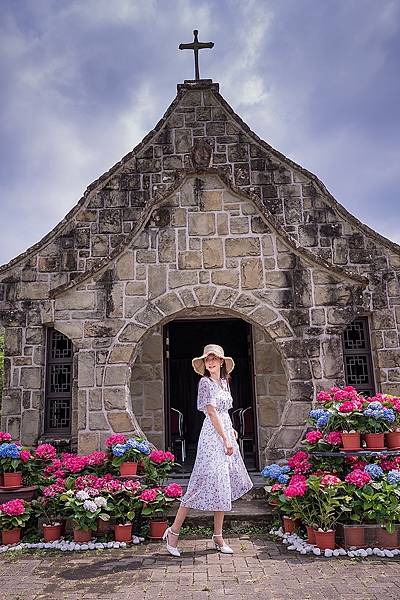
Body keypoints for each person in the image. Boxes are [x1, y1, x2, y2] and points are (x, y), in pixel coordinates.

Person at [162, 344, 253, 557]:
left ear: (221, 361)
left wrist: (232, 433)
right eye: (207, 359)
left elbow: (224, 413)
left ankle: (218, 536)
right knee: (199, 482)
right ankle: (173, 532)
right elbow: (211, 413)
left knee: (223, 484)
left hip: (225, 432)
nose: (210, 362)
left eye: (214, 359)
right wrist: (224, 439)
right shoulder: (205, 383)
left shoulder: (224, 383)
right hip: (212, 436)